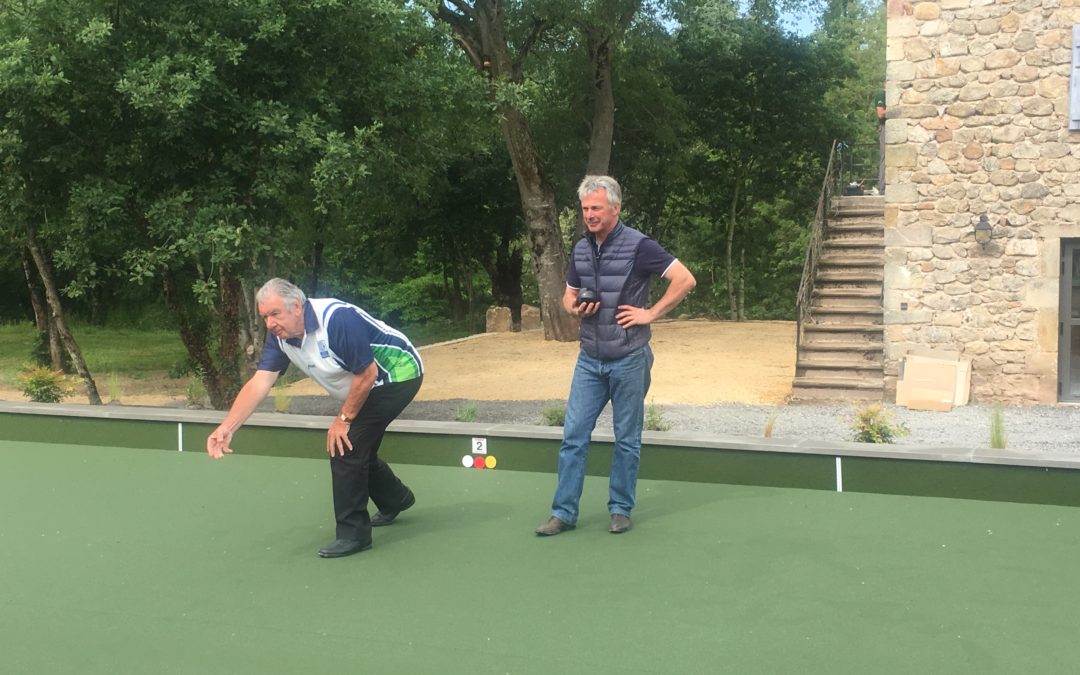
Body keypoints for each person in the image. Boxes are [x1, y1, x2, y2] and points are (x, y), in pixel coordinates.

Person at [205, 278, 423, 558]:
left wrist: (343, 419)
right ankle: (396, 498)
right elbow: (260, 383)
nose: (269, 324)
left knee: (345, 445)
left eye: (275, 314)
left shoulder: (336, 320)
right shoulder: (280, 338)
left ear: (297, 306)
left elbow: (368, 374)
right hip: (365, 381)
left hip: (398, 374)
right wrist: (227, 427)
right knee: (358, 447)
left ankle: (353, 535)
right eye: (265, 317)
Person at [535, 176, 696, 536]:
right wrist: (575, 309)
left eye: (596, 208)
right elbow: (568, 296)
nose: (589, 215)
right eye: (585, 208)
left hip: (629, 358)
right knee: (573, 435)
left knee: (626, 437)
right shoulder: (580, 248)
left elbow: (685, 279)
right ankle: (563, 513)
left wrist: (650, 313)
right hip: (589, 359)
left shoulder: (640, 246)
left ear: (615, 208)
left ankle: (620, 509)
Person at [875, 88, 887, 193]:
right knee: (885, 155)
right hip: (885, 127)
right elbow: (880, 113)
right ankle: (882, 186)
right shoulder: (881, 95)